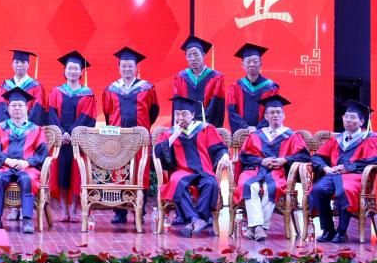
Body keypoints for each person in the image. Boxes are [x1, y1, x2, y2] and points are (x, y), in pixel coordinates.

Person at [235, 94, 309, 241]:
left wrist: (285, 160)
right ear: (266, 116)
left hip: (278, 172)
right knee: (248, 185)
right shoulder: (256, 135)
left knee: (271, 187)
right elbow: (244, 157)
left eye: (278, 112)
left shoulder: (292, 136)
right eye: (272, 112)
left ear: (284, 115)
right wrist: (261, 161)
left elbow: (304, 156)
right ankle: (259, 227)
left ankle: (254, 228)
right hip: (254, 170)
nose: (275, 115)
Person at [154, 96, 229, 237]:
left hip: (203, 170)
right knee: (176, 182)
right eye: (177, 114)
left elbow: (219, 148)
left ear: (193, 115)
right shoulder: (169, 133)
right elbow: (157, 153)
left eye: (184, 114)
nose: (180, 118)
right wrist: (174, 136)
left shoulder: (205, 129)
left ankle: (195, 220)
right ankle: (196, 220)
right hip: (181, 171)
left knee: (211, 183)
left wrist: (224, 155)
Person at [102, 47, 159, 224]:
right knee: (119, 173)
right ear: (119, 68)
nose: (127, 69)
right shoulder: (111, 89)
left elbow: (153, 111)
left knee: (139, 173)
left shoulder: (147, 88)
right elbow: (108, 113)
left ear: (136, 68)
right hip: (118, 139)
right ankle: (120, 211)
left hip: (139, 138)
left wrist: (143, 126)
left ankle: (139, 210)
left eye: (130, 66)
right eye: (123, 66)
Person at [309, 100, 377, 243]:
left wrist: (349, 167)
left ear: (361, 121)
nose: (348, 120)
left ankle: (342, 231)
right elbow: (317, 157)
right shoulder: (337, 139)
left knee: (344, 190)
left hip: (357, 177)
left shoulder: (369, 139)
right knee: (318, 189)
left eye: (352, 117)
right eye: (346, 116)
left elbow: (372, 159)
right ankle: (328, 229)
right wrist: (326, 168)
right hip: (334, 174)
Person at [0, 87, 49, 233]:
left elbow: (42, 152)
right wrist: (7, 161)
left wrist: (28, 162)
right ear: (8, 109)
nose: (17, 108)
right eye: (13, 105)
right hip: (5, 166)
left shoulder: (36, 129)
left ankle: (27, 220)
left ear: (27, 108)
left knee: (27, 179)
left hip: (28, 168)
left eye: (20, 105)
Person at [46, 51, 96, 222]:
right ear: (64, 71)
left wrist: (73, 133)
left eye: (76, 68)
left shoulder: (88, 94)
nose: (72, 71)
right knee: (61, 173)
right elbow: (51, 114)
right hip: (60, 141)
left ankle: (74, 209)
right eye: (70, 68)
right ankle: (63, 209)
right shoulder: (55, 92)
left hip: (79, 141)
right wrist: (61, 133)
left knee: (77, 174)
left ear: (81, 72)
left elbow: (88, 117)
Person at [172, 35, 226, 127]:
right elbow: (178, 105)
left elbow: (216, 106)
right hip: (186, 126)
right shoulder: (180, 77)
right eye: (189, 56)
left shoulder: (216, 77)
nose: (192, 59)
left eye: (196, 54)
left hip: (207, 126)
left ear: (203, 55)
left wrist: (198, 124)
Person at [227, 43, 279, 132]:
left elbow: (273, 111)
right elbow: (232, 111)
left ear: (261, 64)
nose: (252, 64)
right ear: (243, 65)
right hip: (242, 134)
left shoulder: (270, 87)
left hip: (265, 135)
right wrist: (245, 128)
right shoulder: (235, 87)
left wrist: (258, 129)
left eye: (255, 61)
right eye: (248, 61)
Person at [0, 50, 47, 125]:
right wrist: (10, 127)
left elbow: (37, 110)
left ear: (28, 65)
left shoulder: (37, 87)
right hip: (8, 129)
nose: (20, 65)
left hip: (30, 129)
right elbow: (2, 109)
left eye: (23, 62)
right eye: (16, 62)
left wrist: (26, 127)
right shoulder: (5, 86)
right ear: (12, 65)